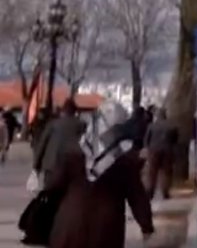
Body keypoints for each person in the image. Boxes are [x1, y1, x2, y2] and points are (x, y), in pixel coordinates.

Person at [46, 100, 153, 248]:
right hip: (106, 231)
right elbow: (137, 197)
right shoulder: (124, 161)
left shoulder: (74, 153)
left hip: (70, 227)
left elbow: (53, 186)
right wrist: (146, 227)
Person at [32, 99, 83, 188]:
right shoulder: (81, 125)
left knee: (49, 194)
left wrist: (36, 167)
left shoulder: (53, 124)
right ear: (75, 112)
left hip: (52, 166)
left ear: (62, 111)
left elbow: (42, 145)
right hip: (72, 167)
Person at [143, 107, 178, 200]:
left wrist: (147, 149)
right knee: (166, 172)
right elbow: (175, 140)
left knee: (152, 172)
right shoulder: (172, 126)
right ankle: (165, 191)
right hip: (167, 150)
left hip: (154, 151)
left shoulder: (151, 126)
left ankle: (150, 191)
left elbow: (146, 140)